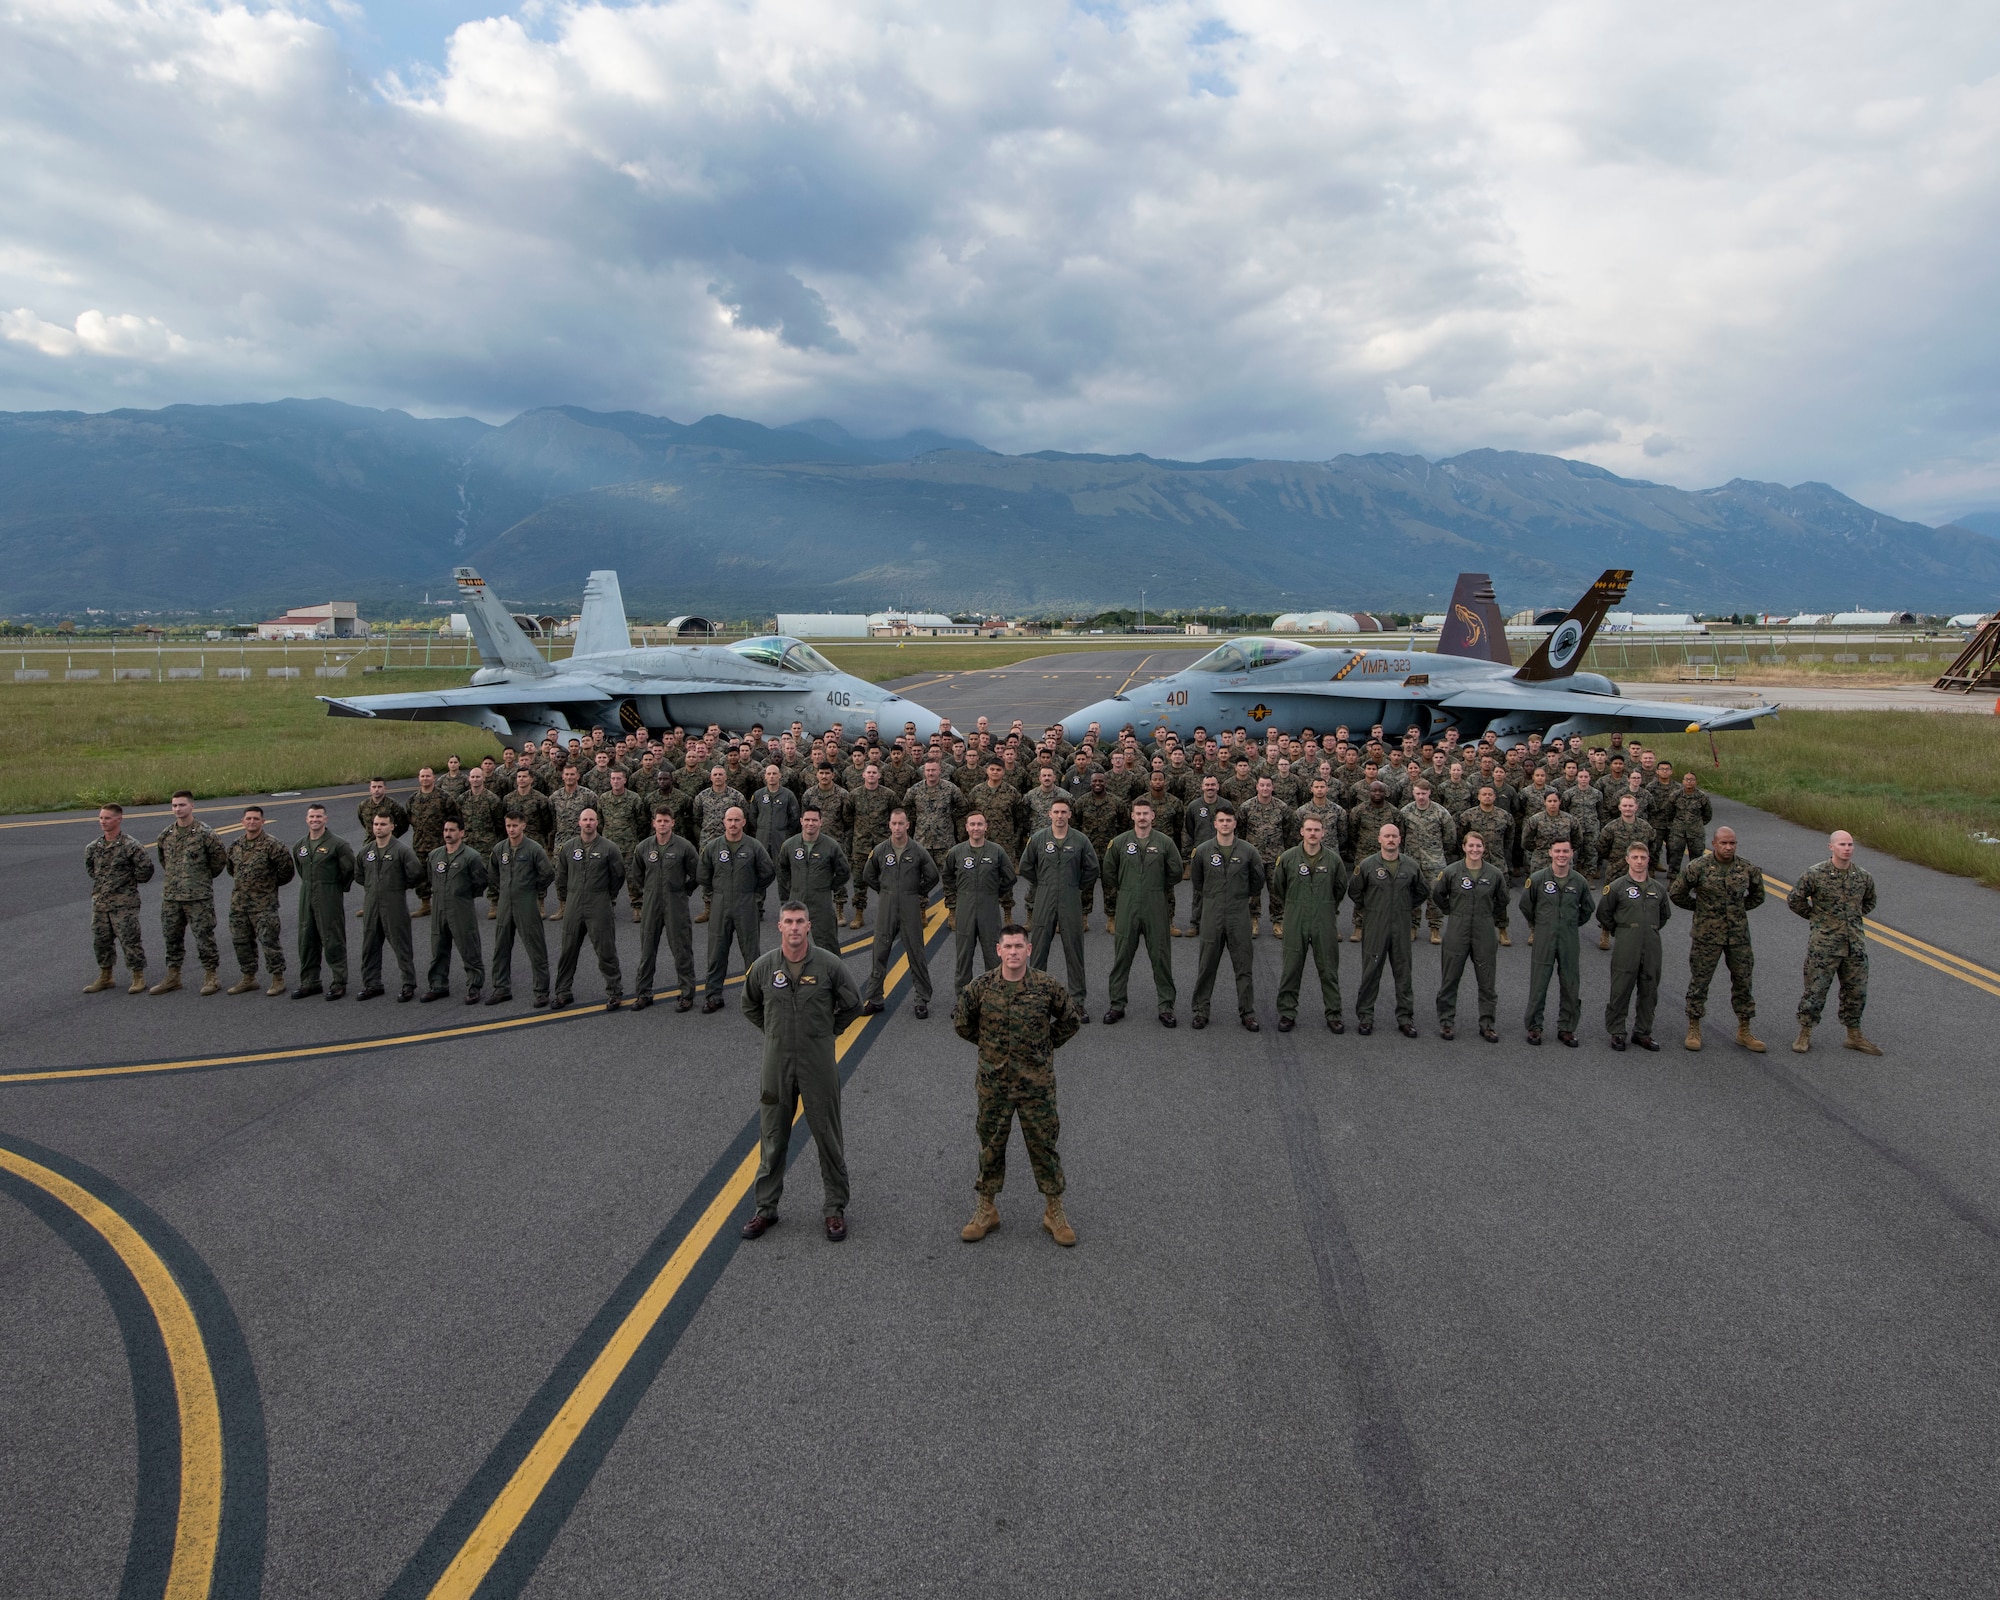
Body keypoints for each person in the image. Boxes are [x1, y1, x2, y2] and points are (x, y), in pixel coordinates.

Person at [740, 900, 866, 1244]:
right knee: (772, 1137)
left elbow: (853, 1003)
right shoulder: (765, 968)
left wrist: (827, 1032)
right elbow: (749, 1003)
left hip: (817, 1063)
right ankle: (765, 1208)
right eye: (788, 922)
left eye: (800, 922)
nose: (794, 928)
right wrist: (774, 1034)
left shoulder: (828, 966)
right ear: (779, 927)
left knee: (827, 1135)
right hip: (776, 1063)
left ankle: (835, 1209)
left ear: (809, 926)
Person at [953, 923, 1083, 1247]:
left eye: (1018, 946)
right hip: (993, 1084)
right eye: (1007, 947)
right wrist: (989, 1048)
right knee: (990, 1146)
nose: (1013, 952)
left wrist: (1044, 1046)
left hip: (1035, 1084)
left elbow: (1070, 1020)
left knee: (1044, 1146)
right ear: (998, 950)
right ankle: (987, 1209)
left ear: (1028, 949)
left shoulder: (1045, 987)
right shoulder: (980, 988)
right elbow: (962, 1022)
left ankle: (1055, 1211)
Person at [1670, 825, 1766, 1052]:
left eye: (1732, 843)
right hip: (1707, 935)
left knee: (1743, 981)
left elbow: (1757, 896)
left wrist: (1737, 911)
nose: (1728, 847)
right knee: (1700, 982)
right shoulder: (1699, 867)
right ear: (1714, 844)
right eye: (1724, 843)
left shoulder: (1746, 868)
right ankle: (1694, 1026)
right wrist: (1700, 908)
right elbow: (1676, 893)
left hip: (1738, 935)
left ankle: (1744, 1029)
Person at [1786, 829, 1881, 1055]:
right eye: (1842, 844)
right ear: (1831, 847)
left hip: (1854, 946)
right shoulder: (1815, 874)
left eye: (1849, 844)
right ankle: (1805, 1032)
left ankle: (1854, 1035)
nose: (1847, 848)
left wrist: (1852, 921)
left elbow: (1869, 902)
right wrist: (1816, 918)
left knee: (1856, 991)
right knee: (1816, 990)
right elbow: (1794, 900)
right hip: (1824, 946)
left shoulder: (1862, 877)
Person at [1102, 797, 1182, 1026]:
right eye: (1138, 813)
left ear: (1153, 816)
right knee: (1122, 956)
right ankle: (1116, 1005)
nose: (1142, 817)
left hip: (1156, 902)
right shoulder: (1118, 843)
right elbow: (1109, 872)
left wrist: (1155, 884)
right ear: (1132, 816)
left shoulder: (1165, 843)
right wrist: (1127, 886)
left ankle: (1166, 1007)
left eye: (1146, 813)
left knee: (1161, 957)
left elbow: (1175, 872)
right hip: (1127, 902)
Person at [1347, 822, 1427, 1037]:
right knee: (1371, 972)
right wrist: (1374, 907)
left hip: (1401, 925)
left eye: (1394, 836)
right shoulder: (1367, 865)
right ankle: (1365, 1016)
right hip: (1375, 925)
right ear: (1379, 839)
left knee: (1403, 972)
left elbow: (1421, 891)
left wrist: (1404, 906)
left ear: (1400, 839)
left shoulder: (1410, 866)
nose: (1391, 840)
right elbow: (1355, 891)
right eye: (1387, 836)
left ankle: (1405, 1018)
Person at [1190, 801, 1265, 1031]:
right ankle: (1201, 1011)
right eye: (1221, 820)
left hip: (1238, 913)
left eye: (1229, 821)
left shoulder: (1248, 851)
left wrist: (1240, 896)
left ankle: (1247, 1012)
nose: (1225, 824)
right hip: (1212, 913)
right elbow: (1198, 881)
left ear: (1235, 823)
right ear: (1215, 824)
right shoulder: (1202, 851)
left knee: (1243, 966)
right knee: (1207, 965)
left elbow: (1257, 881)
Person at [1022, 796, 1098, 1014]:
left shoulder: (1080, 840)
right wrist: (1042, 881)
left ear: (1069, 815)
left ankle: (1077, 1001)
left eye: (1064, 812)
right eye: (1056, 812)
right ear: (1049, 814)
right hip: (1044, 897)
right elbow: (1026, 865)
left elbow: (1092, 868)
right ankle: (1036, 999)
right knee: (1038, 949)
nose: (1060, 816)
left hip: (1070, 897)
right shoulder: (1038, 838)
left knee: (1074, 949)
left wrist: (1076, 885)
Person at [150, 790, 230, 995]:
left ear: (192, 806)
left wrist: (199, 879)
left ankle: (211, 976)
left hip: (197, 897)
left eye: (182, 805)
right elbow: (164, 861)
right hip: (172, 896)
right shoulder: (166, 835)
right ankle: (173, 976)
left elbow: (219, 861)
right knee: (171, 937)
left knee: (204, 937)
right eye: (175, 805)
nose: (178, 809)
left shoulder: (205, 833)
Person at [862, 808, 940, 1018]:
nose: (897, 827)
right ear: (889, 825)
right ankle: (875, 998)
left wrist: (918, 891)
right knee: (880, 952)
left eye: (901, 824)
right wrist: (884, 889)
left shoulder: (917, 850)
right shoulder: (880, 850)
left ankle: (922, 998)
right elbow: (868, 874)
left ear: (908, 825)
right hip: (887, 905)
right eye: (894, 823)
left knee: (916, 952)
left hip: (910, 904)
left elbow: (932, 875)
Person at [1273, 813, 1347, 1033]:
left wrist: (1326, 906)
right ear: (1301, 832)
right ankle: (1287, 1013)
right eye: (1309, 830)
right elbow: (1279, 887)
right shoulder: (1288, 858)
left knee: (1329, 969)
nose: (1313, 834)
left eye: (1317, 830)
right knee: (1291, 968)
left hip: (1324, 918)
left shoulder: (1334, 860)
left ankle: (1333, 1014)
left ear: (1323, 832)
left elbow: (1340, 888)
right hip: (1296, 917)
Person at [697, 806, 777, 1012]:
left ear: (743, 822)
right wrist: (717, 891)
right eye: (729, 820)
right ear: (723, 822)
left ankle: (755, 995)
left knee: (751, 951)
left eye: (737, 820)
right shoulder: (713, 847)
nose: (733, 824)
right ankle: (713, 995)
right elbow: (703, 874)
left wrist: (753, 890)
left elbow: (768, 872)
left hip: (746, 902)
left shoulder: (754, 846)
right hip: (720, 903)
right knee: (716, 951)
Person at [1431, 831, 1507, 1041]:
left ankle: (1487, 1024)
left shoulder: (1494, 874)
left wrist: (1487, 915)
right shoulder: (1452, 872)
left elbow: (1503, 900)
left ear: (1484, 849)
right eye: (1471, 846)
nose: (1475, 850)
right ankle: (1446, 1022)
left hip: (1484, 930)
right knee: (1450, 977)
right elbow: (1438, 894)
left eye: (1479, 846)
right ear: (1464, 847)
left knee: (1487, 981)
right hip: (1458, 927)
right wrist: (1453, 911)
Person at [1596, 842, 1672, 1050]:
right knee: (1621, 988)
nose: (1639, 862)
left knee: (1649, 989)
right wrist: (1621, 930)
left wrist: (1649, 930)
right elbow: (1604, 913)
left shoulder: (1658, 889)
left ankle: (1643, 1032)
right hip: (1626, 943)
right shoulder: (1617, 887)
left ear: (1649, 860)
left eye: (1643, 858)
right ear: (1628, 859)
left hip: (1652, 944)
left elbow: (1664, 916)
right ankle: (1617, 1031)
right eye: (1635, 857)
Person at [552, 807, 626, 1011]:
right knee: (568, 950)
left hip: (599, 902)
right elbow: (561, 876)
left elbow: (618, 875)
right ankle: (563, 992)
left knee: (605, 949)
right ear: (579, 822)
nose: (588, 823)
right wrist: (567, 899)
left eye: (592, 819)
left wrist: (607, 896)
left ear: (597, 823)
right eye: (584, 819)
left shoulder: (609, 848)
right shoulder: (568, 847)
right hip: (574, 903)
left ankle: (614, 992)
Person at [1520, 839, 1589, 1046]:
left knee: (1570, 983)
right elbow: (1526, 905)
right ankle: (1534, 1027)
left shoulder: (1579, 881)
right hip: (1544, 936)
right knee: (1539, 983)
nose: (1561, 855)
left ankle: (1567, 1028)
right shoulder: (1538, 879)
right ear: (1550, 853)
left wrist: (1569, 924)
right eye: (1557, 851)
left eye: (1565, 851)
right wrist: (1541, 924)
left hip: (1569, 938)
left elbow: (1586, 909)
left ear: (1571, 854)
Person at [631, 805, 700, 1010]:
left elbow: (698, 873)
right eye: (659, 821)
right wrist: (650, 890)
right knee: (647, 950)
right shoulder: (643, 847)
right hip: (651, 903)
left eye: (666, 821)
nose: (662, 824)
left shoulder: (684, 847)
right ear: (653, 823)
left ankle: (687, 994)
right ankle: (643, 994)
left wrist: (684, 890)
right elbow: (637, 874)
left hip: (676, 903)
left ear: (673, 823)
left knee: (681, 949)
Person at [224, 805, 295, 996]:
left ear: (262, 822)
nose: (252, 822)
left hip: (264, 904)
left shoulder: (273, 845)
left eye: (256, 819)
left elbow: (287, 871)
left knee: (269, 941)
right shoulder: (235, 845)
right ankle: (248, 978)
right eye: (248, 819)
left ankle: (277, 979)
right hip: (239, 904)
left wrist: (268, 886)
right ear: (242, 822)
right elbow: (231, 870)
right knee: (241, 942)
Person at [944, 810, 1017, 996]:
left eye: (980, 824)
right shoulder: (956, 852)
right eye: (972, 825)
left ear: (986, 827)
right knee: (964, 957)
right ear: (966, 827)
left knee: (993, 956)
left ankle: (995, 998)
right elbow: (947, 876)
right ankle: (963, 999)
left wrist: (994, 893)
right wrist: (961, 892)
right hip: (965, 909)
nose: (976, 828)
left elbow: (1009, 877)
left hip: (989, 909)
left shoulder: (996, 851)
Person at [84, 802, 153, 994]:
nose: (103, 822)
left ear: (119, 819)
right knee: (101, 941)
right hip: (101, 903)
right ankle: (106, 976)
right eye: (101, 818)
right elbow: (92, 870)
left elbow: (145, 871)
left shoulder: (130, 846)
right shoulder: (93, 847)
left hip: (124, 903)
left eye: (107, 818)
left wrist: (126, 884)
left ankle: (138, 976)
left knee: (130, 939)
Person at [488, 809, 555, 1007]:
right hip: (505, 903)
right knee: (501, 946)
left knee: (536, 947)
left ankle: (541, 991)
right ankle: (501, 988)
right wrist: (501, 890)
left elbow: (548, 873)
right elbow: (492, 873)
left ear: (523, 825)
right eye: (508, 825)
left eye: (515, 825)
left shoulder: (534, 849)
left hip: (526, 901)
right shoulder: (500, 849)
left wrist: (533, 888)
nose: (511, 829)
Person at [356, 810, 424, 1001]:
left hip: (394, 904)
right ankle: (372, 983)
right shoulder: (365, 852)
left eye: (383, 824)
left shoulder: (402, 850)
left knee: (401, 944)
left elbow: (416, 873)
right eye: (376, 824)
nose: (379, 828)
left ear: (392, 827)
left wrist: (398, 886)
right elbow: (359, 875)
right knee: (369, 945)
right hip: (371, 904)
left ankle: (408, 984)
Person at [293, 803, 356, 1000]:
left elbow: (349, 869)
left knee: (332, 937)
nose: (315, 820)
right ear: (306, 819)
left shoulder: (338, 844)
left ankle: (339, 982)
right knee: (306, 938)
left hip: (329, 893)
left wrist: (337, 888)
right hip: (307, 893)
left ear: (325, 819)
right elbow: (301, 869)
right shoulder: (300, 846)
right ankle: (310, 982)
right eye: (312, 817)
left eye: (319, 817)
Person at [422, 817, 488, 1003]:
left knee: (469, 947)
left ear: (461, 833)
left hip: (461, 908)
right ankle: (438, 985)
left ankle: (474, 986)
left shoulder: (471, 856)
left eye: (452, 830)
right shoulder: (435, 855)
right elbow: (430, 877)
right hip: (439, 908)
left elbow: (480, 881)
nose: (448, 834)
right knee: (438, 948)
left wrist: (462, 895)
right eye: (445, 830)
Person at [777, 803, 852, 954]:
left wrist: (829, 885)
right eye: (807, 820)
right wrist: (791, 888)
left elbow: (844, 872)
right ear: (801, 821)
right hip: (796, 900)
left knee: (828, 946)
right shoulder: (789, 845)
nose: (810, 823)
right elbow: (782, 868)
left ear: (820, 822)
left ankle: (832, 977)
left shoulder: (831, 846)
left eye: (814, 820)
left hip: (821, 902)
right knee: (792, 945)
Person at [406, 767, 459, 918]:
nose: (425, 779)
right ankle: (425, 904)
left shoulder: (444, 798)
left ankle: (447, 903)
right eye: (422, 776)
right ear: (419, 778)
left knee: (443, 875)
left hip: (440, 844)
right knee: (421, 875)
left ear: (433, 778)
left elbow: (455, 819)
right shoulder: (412, 800)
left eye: (428, 776)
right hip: (420, 844)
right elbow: (409, 819)